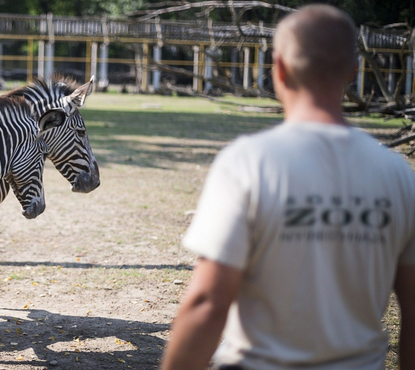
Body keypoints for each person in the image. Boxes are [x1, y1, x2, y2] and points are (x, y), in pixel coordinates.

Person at [160, 4, 415, 370]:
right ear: (353, 70)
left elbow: (207, 303)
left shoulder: (248, 162)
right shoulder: (398, 174)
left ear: (278, 68)